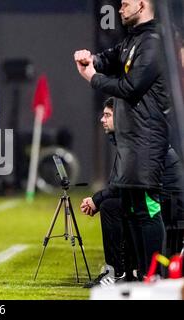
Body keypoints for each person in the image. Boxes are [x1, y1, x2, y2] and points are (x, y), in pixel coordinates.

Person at [74, 0, 171, 278]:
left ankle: (155, 278)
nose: (119, 8)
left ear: (142, 4)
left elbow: (130, 87)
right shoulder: (134, 39)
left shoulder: (153, 42)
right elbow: (111, 57)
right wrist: (91, 60)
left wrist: (92, 78)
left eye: (126, 3)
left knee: (147, 210)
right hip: (131, 141)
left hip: (147, 141)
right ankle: (141, 276)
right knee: (131, 210)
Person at [80, 97, 184, 287]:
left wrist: (97, 199)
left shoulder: (138, 141)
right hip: (159, 199)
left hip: (171, 207)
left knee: (115, 206)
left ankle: (131, 273)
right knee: (121, 204)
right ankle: (131, 272)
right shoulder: (129, 139)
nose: (102, 119)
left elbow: (124, 184)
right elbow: (120, 182)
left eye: (108, 115)